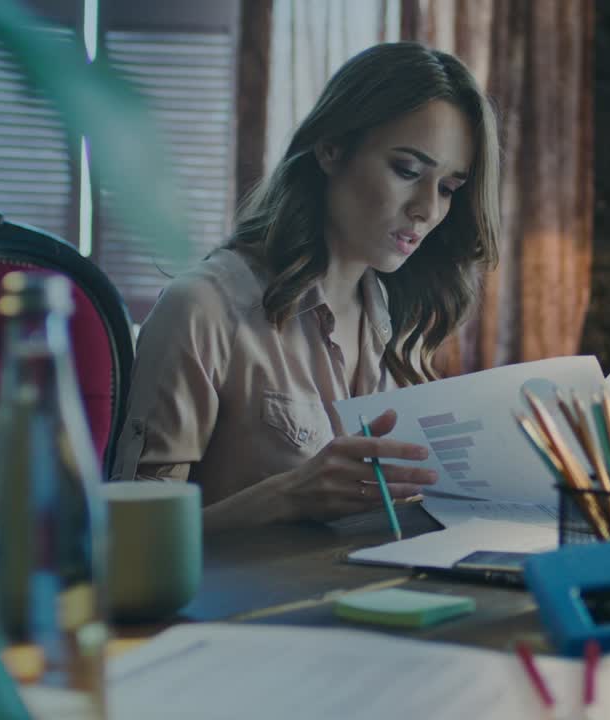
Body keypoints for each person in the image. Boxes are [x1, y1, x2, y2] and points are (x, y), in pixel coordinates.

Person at [111, 43, 501, 530]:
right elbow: (131, 535)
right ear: (331, 148)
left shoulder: (400, 325)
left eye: (447, 189)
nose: (428, 209)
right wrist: (288, 497)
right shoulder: (204, 309)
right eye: (407, 171)